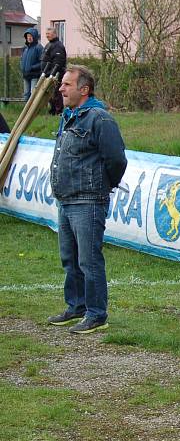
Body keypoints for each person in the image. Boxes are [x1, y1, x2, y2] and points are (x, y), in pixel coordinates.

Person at [47, 65, 127, 333]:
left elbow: (116, 159)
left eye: (66, 85)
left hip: (88, 201)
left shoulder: (100, 119)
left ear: (84, 89)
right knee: (69, 258)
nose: (61, 89)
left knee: (89, 260)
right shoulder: (69, 116)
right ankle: (76, 307)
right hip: (66, 200)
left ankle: (96, 314)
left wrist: (102, 186)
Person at [41, 27, 67, 115]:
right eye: (46, 34)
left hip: (56, 75)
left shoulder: (58, 46)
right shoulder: (48, 45)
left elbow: (58, 62)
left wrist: (52, 73)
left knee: (57, 93)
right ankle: (52, 110)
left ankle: (58, 111)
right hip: (48, 75)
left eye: (49, 34)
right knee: (51, 94)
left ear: (54, 34)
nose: (47, 35)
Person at [20, 28, 43, 101]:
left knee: (33, 94)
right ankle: (26, 112)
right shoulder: (25, 48)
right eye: (27, 36)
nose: (29, 38)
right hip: (26, 75)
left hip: (34, 75)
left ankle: (34, 111)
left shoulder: (39, 47)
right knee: (26, 94)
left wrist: (32, 67)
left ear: (34, 37)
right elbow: (21, 60)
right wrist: (22, 67)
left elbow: (42, 62)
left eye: (30, 36)